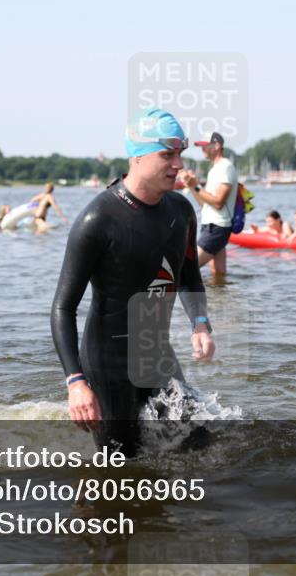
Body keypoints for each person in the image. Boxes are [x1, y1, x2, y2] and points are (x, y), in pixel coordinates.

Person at [51, 108, 216, 457]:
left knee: (199, 442)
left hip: (157, 354)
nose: (178, 165)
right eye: (167, 155)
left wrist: (200, 324)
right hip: (109, 362)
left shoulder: (181, 211)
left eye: (180, 155)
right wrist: (76, 383)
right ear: (137, 157)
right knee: (123, 462)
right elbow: (63, 308)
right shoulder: (97, 220)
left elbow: (187, 275)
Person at [181, 131, 238, 275]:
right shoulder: (215, 169)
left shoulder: (225, 167)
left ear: (217, 145)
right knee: (218, 273)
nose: (202, 149)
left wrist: (197, 186)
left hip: (217, 227)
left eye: (205, 145)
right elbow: (205, 203)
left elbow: (218, 202)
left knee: (187, 269)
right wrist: (192, 186)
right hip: (211, 225)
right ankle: (219, 297)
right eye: (201, 146)